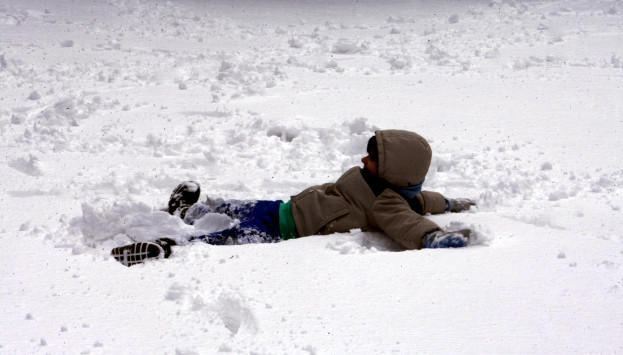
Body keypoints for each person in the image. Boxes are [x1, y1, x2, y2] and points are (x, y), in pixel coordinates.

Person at [112, 129, 476, 266]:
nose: (364, 160)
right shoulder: (393, 187)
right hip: (281, 209)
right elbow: (426, 199)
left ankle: (166, 248)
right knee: (231, 208)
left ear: (396, 172)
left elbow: (409, 219)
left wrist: (431, 236)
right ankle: (189, 211)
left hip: (284, 230)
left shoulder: (390, 203)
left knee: (220, 236)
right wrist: (452, 204)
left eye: (373, 158)